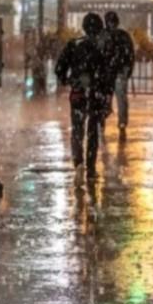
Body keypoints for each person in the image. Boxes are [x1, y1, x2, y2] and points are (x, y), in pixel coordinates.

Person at [54, 12, 112, 182]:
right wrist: (107, 94)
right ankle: (91, 169)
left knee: (77, 130)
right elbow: (107, 74)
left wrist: (68, 80)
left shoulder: (73, 44)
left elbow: (59, 68)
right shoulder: (102, 47)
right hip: (96, 94)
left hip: (78, 93)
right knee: (93, 132)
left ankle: (78, 162)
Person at [102, 11, 135, 138]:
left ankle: (104, 118)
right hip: (119, 71)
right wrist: (128, 69)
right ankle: (122, 122)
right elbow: (130, 54)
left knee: (106, 96)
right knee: (121, 98)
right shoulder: (123, 36)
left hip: (108, 72)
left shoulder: (104, 35)